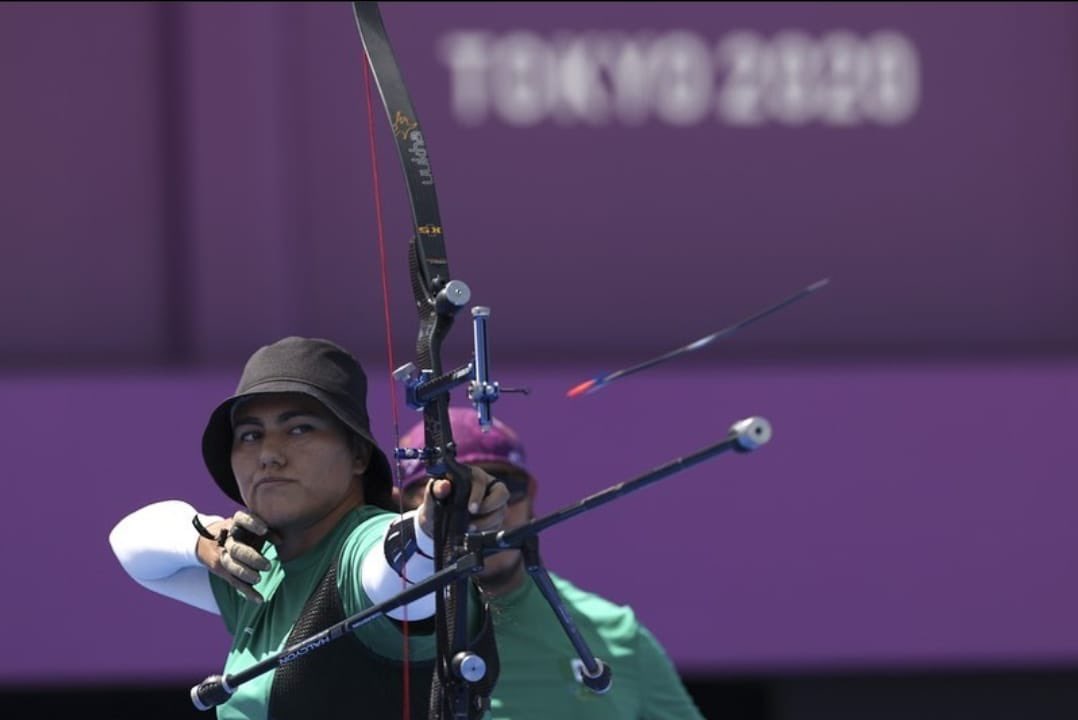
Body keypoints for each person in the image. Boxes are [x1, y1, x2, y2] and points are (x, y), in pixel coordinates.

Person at [109, 336, 508, 720]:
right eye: (250, 435)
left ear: (357, 454)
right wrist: (205, 542)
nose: (268, 455)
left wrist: (434, 522)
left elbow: (393, 568)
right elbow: (129, 544)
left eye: (299, 428)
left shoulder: (359, 546)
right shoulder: (258, 571)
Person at [397, 407, 706, 720]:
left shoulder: (618, 634)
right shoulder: (374, 631)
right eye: (453, 498)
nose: (481, 514)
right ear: (402, 507)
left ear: (531, 496)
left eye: (502, 488)